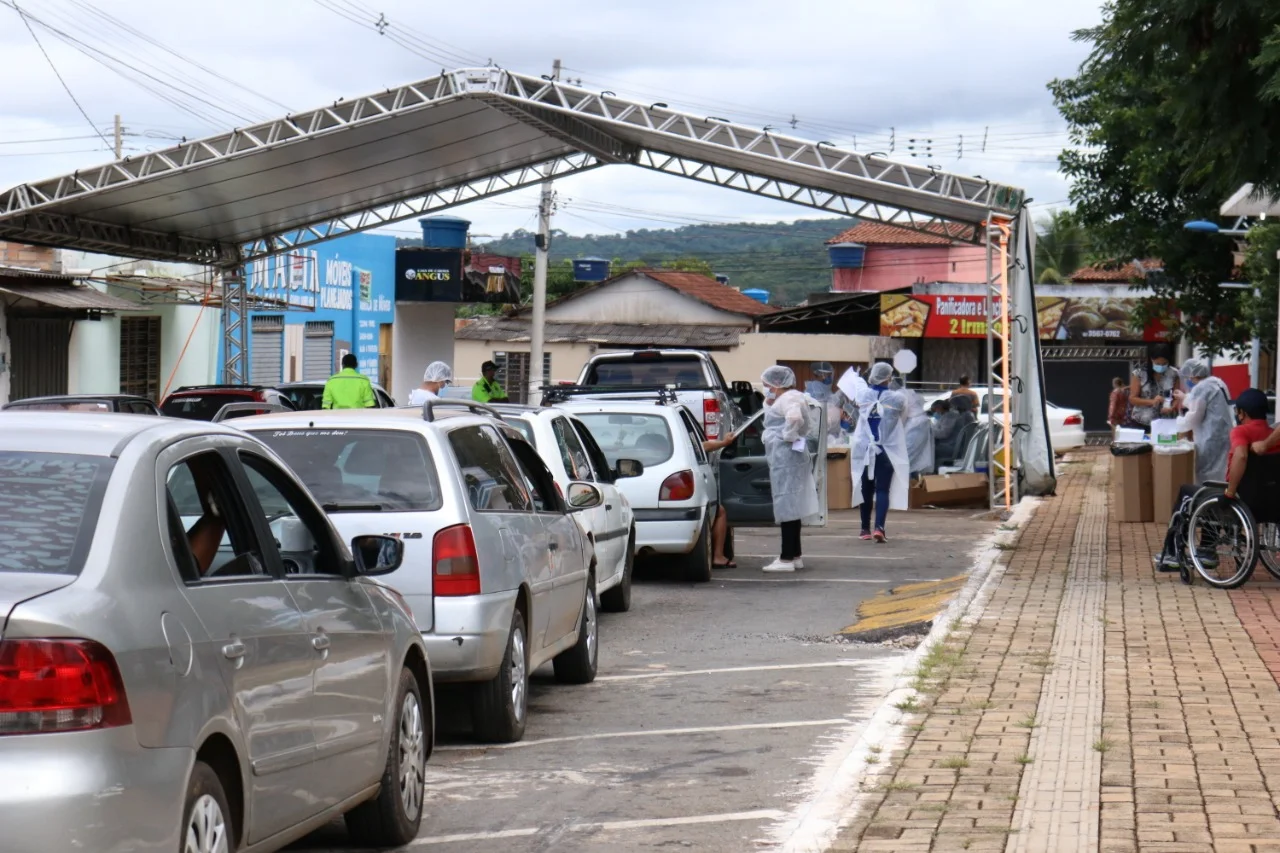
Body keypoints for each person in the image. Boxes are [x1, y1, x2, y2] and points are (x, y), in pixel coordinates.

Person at [1157, 388, 1278, 571]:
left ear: (1241, 413)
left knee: (1189, 492)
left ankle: (1173, 552)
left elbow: (1241, 457)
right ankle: (1205, 549)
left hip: (1241, 500)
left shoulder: (1241, 431)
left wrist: (1230, 492)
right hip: (1271, 502)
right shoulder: (1273, 434)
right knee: (1209, 493)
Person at [759, 366, 819, 573]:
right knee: (792, 505)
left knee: (787, 504)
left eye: (767, 385)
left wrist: (787, 436)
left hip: (786, 457)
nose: (766, 388)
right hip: (790, 457)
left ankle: (786, 558)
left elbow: (794, 418)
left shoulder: (788, 399)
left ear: (776, 384)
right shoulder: (792, 396)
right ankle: (795, 555)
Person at [850, 362, 908, 543]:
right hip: (887, 450)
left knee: (866, 489)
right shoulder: (898, 399)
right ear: (888, 378)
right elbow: (903, 418)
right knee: (883, 489)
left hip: (865, 449)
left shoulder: (863, 395)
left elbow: (855, 400)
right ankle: (879, 527)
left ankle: (864, 529)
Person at [1171, 358, 1233, 485]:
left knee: (1207, 474)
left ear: (1192, 376)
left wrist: (1177, 422)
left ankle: (1206, 501)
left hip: (1209, 438)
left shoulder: (1201, 388)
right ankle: (1219, 500)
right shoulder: (1218, 382)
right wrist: (1185, 398)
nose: (1187, 380)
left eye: (1188, 377)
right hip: (1224, 436)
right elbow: (1203, 403)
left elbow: (1193, 417)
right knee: (1222, 473)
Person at [702, 431, 737, 568]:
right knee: (719, 511)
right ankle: (717, 556)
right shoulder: (678, 440)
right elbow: (702, 446)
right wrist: (724, 443)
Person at [1128, 343, 1180, 428]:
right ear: (1152, 360)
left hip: (1166, 421)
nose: (1161, 366)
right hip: (1143, 421)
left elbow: (1177, 397)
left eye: (1164, 364)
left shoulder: (1174, 374)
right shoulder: (1139, 373)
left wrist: (1171, 407)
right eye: (1158, 363)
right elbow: (1132, 398)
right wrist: (1152, 401)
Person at [903, 388, 935, 477]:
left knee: (908, 459)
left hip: (915, 426)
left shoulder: (902, 395)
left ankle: (909, 484)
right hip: (917, 425)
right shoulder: (912, 394)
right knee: (915, 461)